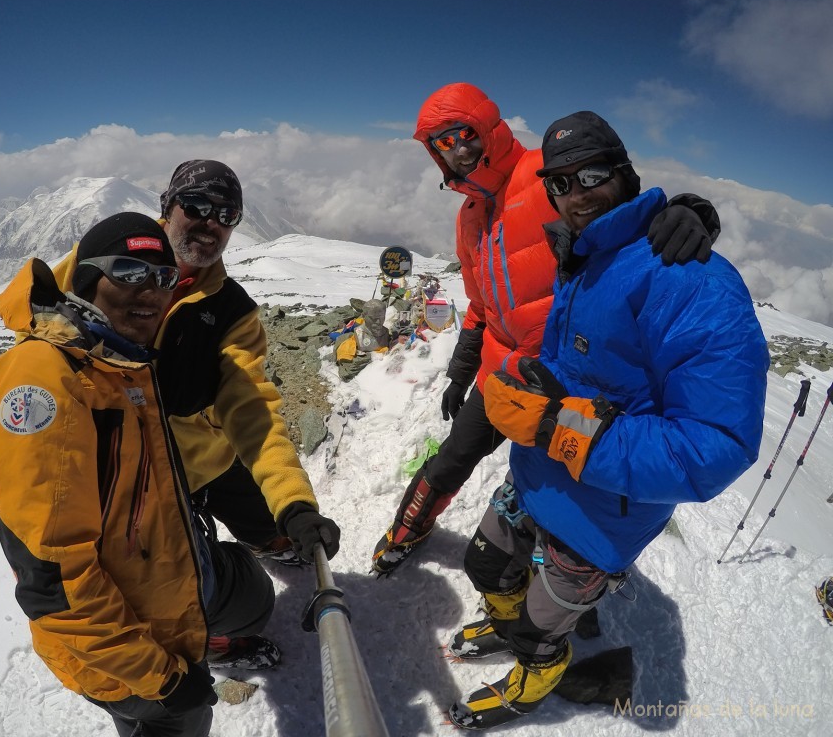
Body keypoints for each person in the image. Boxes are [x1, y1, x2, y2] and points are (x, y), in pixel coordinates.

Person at [445, 111, 768, 729]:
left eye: (590, 174)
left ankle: (533, 674)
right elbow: (597, 373)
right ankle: (511, 624)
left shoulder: (693, 280)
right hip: (540, 477)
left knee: (541, 628)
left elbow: (715, 444)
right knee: (486, 563)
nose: (574, 195)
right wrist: (534, 384)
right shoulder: (587, 259)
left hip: (602, 515)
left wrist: (555, 427)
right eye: (558, 184)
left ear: (623, 173)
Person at [371, 84, 722, 575]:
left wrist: (689, 210)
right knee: (452, 458)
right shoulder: (468, 217)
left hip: (565, 378)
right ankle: (409, 529)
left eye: (464, 133)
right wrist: (460, 372)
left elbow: (618, 211)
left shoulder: (543, 177)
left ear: (489, 128)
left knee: (567, 486)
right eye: (442, 143)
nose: (458, 149)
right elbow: (479, 305)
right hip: (502, 375)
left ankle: (564, 588)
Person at [0, 213, 280, 737]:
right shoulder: (45, 381)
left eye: (162, 278)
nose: (152, 291)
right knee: (183, 719)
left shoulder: (119, 366)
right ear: (86, 278)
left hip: (161, 613)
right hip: (128, 660)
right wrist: (161, 680)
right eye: (130, 270)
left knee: (248, 590)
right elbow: (55, 586)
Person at [53, 160, 341, 669]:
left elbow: (252, 407)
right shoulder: (106, 259)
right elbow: (37, 314)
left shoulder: (231, 312)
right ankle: (212, 641)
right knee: (220, 590)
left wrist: (295, 504)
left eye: (226, 214)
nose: (211, 223)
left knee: (264, 513)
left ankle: (273, 540)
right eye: (198, 206)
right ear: (168, 207)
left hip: (205, 453)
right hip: (137, 481)